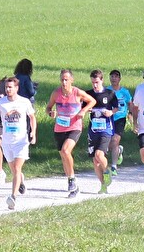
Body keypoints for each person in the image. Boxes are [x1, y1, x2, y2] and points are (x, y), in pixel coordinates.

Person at [45, 69, 96, 198]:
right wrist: (51, 113)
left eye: (66, 79)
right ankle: (72, 183)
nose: (64, 82)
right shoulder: (56, 93)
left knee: (66, 151)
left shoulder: (77, 92)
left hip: (74, 126)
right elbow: (48, 107)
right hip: (60, 127)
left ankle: (72, 179)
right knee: (63, 154)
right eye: (62, 79)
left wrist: (83, 111)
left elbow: (92, 101)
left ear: (71, 80)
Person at [0, 77, 36, 208]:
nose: (8, 89)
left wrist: (33, 132)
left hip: (21, 141)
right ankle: (21, 181)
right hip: (6, 141)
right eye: (6, 87)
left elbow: (32, 117)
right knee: (14, 170)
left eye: (10, 87)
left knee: (17, 168)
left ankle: (13, 197)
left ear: (17, 88)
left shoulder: (24, 102)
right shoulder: (1, 103)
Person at [85, 70, 121, 194]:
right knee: (95, 161)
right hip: (93, 130)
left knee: (99, 155)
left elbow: (116, 107)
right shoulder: (88, 94)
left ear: (102, 81)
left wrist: (111, 112)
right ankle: (103, 185)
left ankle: (107, 172)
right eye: (92, 82)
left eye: (96, 82)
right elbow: (82, 107)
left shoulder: (109, 93)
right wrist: (87, 110)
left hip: (106, 129)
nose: (94, 85)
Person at [109, 70, 131, 174]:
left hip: (120, 119)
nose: (114, 78)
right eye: (112, 76)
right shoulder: (107, 90)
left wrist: (132, 116)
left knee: (115, 140)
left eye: (116, 76)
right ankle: (119, 151)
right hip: (108, 118)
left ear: (119, 78)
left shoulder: (124, 92)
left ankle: (113, 166)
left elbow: (130, 104)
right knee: (108, 144)